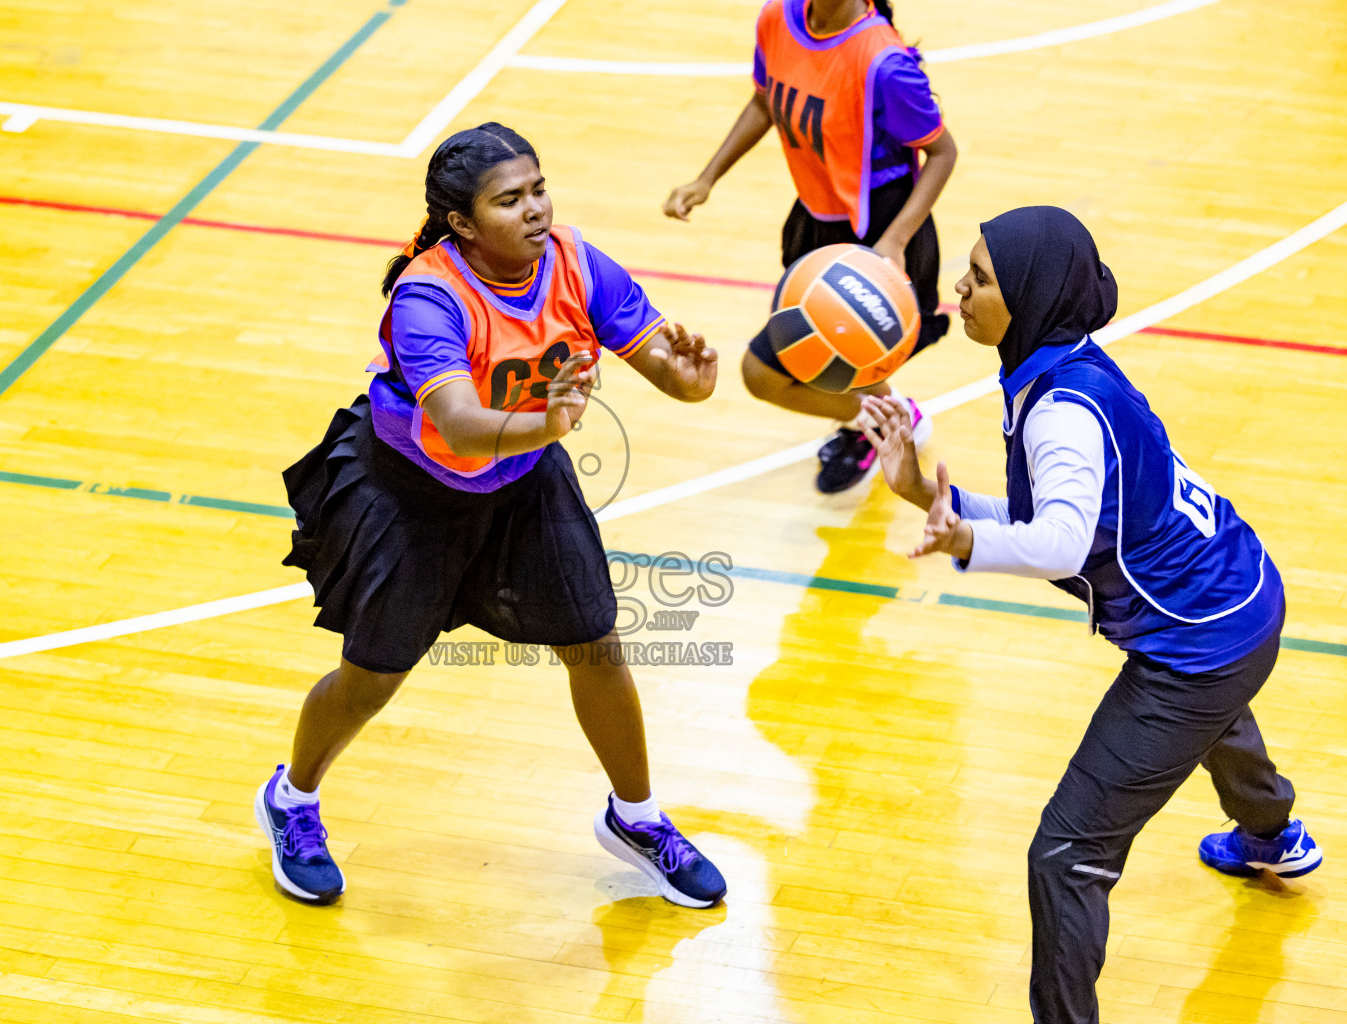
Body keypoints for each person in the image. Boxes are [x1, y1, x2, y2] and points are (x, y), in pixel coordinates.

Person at [860, 205, 1321, 1023]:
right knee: (1214, 717)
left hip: (1199, 641)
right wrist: (926, 492)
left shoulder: (1061, 410)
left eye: (980, 278)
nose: (959, 288)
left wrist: (966, 540)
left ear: (1030, 295)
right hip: (1235, 598)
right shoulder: (1062, 364)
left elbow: (1062, 544)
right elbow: (1054, 513)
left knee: (1066, 855)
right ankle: (1273, 835)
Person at [258, 122, 728, 910]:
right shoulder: (429, 297)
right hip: (410, 495)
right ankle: (292, 800)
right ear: (463, 226)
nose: (536, 209)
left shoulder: (575, 261)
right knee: (372, 678)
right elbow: (460, 425)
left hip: (520, 482)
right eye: (510, 200)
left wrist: (688, 378)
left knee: (595, 642)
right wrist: (548, 423)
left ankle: (635, 818)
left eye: (538, 188)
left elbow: (658, 363)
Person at [664, 0, 956, 493]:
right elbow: (765, 100)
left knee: (770, 371)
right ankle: (883, 418)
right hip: (818, 222)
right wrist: (707, 178)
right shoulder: (778, 18)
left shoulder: (884, 64)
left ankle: (889, 423)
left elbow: (943, 152)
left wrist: (895, 240)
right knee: (824, 359)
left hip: (881, 231)